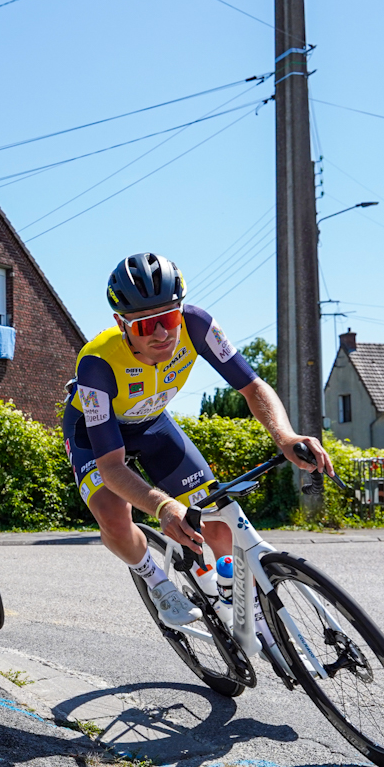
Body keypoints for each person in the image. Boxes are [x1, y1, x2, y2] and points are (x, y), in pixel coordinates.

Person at [64, 252, 331, 627]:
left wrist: (284, 436)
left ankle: (236, 605)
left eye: (169, 319)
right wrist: (161, 507)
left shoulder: (198, 325)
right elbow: (110, 466)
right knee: (113, 513)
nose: (161, 334)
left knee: (218, 522)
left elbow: (253, 387)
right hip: (95, 436)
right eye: (145, 326)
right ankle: (155, 580)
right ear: (121, 325)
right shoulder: (96, 364)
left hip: (153, 425)